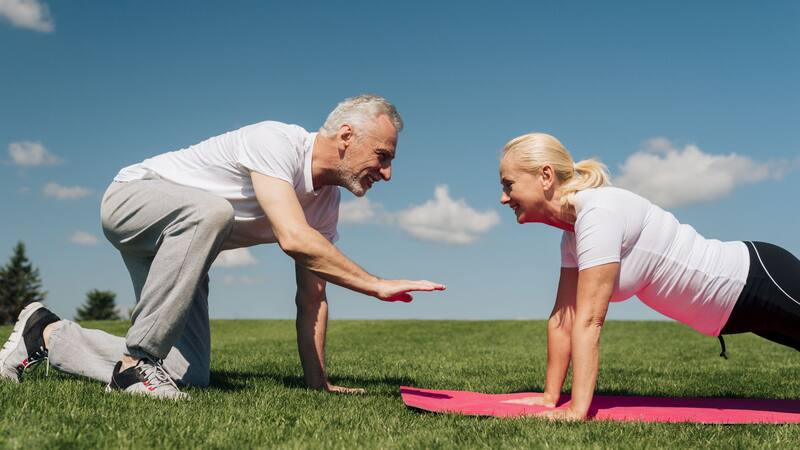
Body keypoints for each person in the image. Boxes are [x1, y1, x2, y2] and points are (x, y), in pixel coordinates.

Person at [0, 95, 445, 399]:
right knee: (213, 212)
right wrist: (375, 285)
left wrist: (317, 383)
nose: (386, 172)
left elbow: (312, 298)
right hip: (132, 199)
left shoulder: (324, 205)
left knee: (188, 375)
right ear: (347, 136)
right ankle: (137, 363)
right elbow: (293, 239)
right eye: (383, 155)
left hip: (181, 250)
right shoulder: (278, 141)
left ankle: (48, 334)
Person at [497, 132, 800, 420]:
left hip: (753, 280)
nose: (503, 198)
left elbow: (589, 320)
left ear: (546, 176)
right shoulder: (573, 238)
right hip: (735, 311)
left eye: (509, 184)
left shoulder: (598, 214)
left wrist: (578, 409)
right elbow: (564, 318)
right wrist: (550, 397)